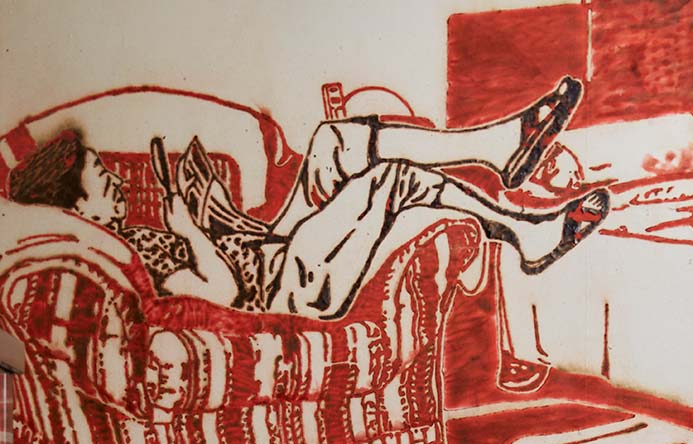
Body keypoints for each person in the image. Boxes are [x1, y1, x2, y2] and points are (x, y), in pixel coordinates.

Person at [10, 77, 610, 317]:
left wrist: (211, 214)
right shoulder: (121, 263)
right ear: (77, 205)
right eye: (99, 174)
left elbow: (220, 263)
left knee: (332, 141)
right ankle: (523, 231)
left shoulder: (127, 241)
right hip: (285, 288)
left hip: (271, 248)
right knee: (388, 180)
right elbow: (221, 294)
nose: (114, 178)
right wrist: (191, 229)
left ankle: (500, 145)